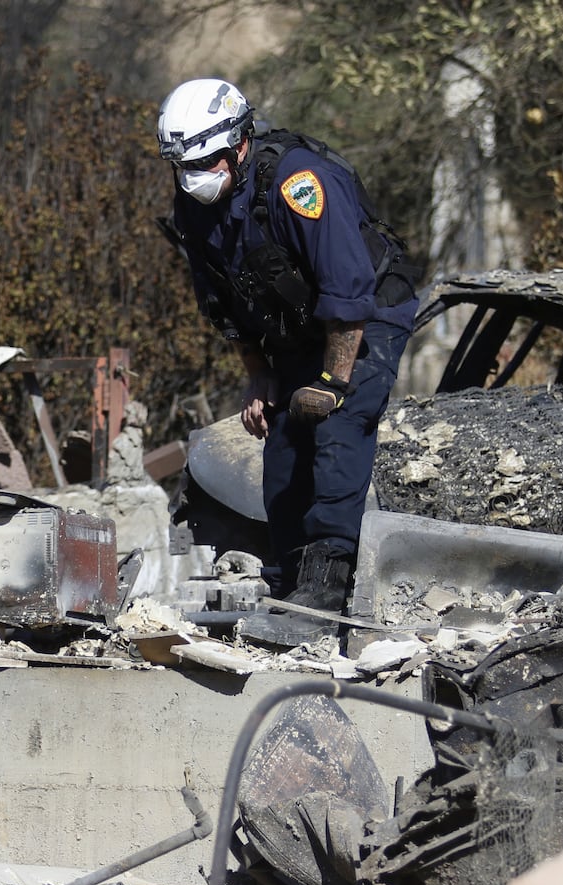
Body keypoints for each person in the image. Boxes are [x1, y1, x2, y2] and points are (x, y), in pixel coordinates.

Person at [155, 78, 420, 646]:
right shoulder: (196, 205)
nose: (190, 175)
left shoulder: (299, 184)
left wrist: (333, 381)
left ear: (239, 145)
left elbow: (347, 292)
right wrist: (261, 376)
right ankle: (292, 573)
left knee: (336, 428)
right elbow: (221, 301)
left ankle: (328, 582)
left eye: (202, 161)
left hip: (364, 314)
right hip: (296, 328)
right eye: (181, 165)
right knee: (282, 443)